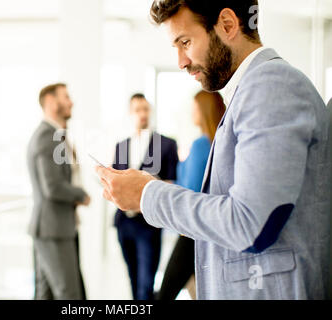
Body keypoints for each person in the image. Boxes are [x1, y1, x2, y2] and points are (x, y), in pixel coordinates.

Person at [96, 0, 331, 300]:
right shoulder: (247, 92)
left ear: (228, 24)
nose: (181, 61)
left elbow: (250, 224)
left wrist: (147, 194)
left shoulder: (271, 86)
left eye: (185, 42)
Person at [158, 91, 226, 300]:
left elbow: (192, 191)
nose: (191, 112)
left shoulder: (200, 145)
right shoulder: (221, 142)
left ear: (204, 110)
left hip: (191, 232)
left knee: (166, 292)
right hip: (210, 228)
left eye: (195, 108)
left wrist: (162, 187)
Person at [112, 93, 179, 300]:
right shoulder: (121, 146)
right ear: (130, 114)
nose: (142, 114)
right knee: (133, 281)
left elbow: (171, 183)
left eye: (145, 109)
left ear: (150, 111)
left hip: (149, 224)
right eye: (137, 110)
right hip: (124, 223)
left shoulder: (166, 144)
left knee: (145, 285)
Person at [27, 83, 91, 300]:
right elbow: (52, 187)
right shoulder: (48, 136)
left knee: (45, 294)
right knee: (69, 295)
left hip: (53, 228)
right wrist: (81, 195)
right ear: (52, 103)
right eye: (66, 97)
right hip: (53, 229)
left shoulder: (56, 135)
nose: (71, 102)